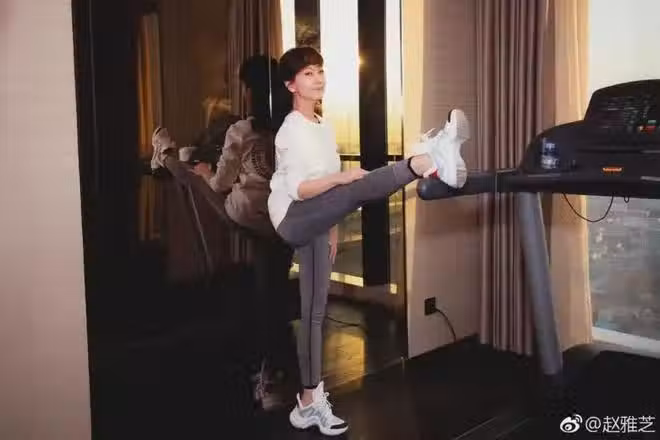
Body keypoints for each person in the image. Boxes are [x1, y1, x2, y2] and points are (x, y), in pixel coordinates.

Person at [269, 46, 470, 436]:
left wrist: (331, 227)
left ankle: (309, 401)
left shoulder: (323, 126)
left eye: (320, 71)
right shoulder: (290, 130)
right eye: (308, 73)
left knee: (313, 312)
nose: (318, 78)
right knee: (355, 185)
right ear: (291, 85)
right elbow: (302, 188)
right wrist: (343, 178)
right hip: (292, 217)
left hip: (316, 220)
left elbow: (328, 193)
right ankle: (425, 160)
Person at [150, 55, 296, 405]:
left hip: (246, 216)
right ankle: (277, 371)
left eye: (243, 87)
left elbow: (220, 183)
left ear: (250, 91)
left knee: (197, 178)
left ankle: (164, 153)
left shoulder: (241, 131)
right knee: (273, 289)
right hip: (283, 220)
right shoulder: (293, 128)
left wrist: (207, 171)